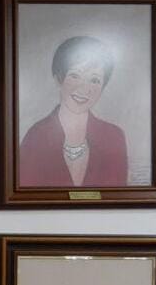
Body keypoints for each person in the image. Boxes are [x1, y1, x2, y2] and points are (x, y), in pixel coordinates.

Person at [17, 35, 130, 188]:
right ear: (58, 79)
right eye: (75, 76)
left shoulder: (114, 137)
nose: (84, 89)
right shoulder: (35, 136)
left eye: (94, 80)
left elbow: (118, 195)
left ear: (102, 87)